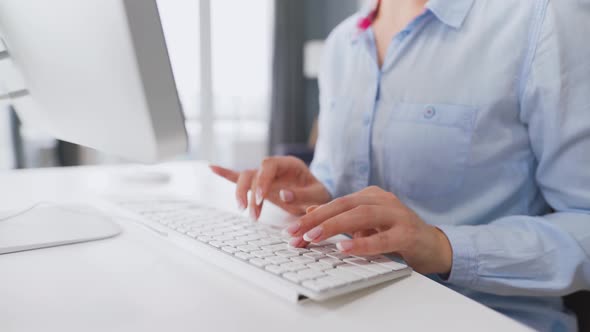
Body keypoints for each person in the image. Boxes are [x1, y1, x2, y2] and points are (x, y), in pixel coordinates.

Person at [211, 0, 590, 331]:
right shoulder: (343, 43)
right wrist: (319, 191)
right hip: (344, 305)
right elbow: (337, 172)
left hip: (482, 315)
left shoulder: (543, 18)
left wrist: (443, 247)